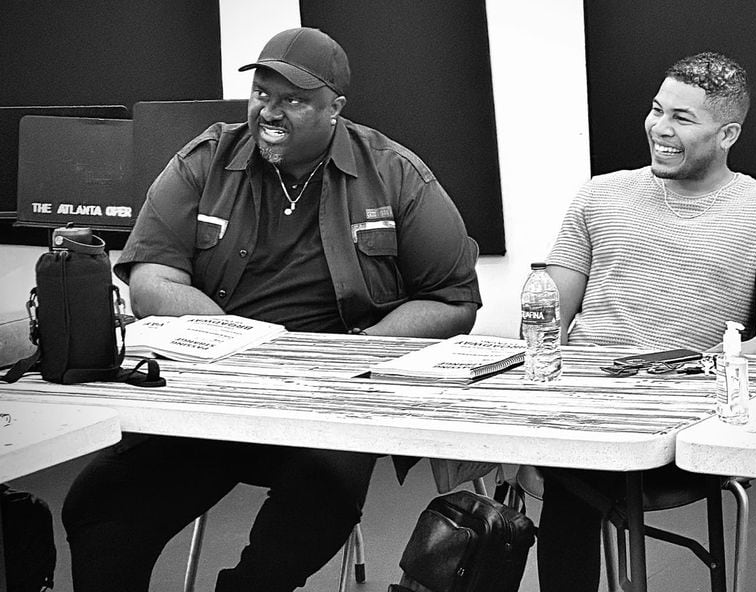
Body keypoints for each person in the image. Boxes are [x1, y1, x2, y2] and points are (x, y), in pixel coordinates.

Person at [62, 27, 481, 592]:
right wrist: (251, 346)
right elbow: (151, 279)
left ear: (336, 109)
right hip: (215, 394)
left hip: (330, 407)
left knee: (315, 503)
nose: (270, 112)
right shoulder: (207, 160)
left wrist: (340, 359)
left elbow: (453, 301)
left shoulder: (395, 173)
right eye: (263, 94)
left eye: (294, 100)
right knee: (99, 505)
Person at [537, 51, 756, 591]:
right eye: (657, 110)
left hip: (683, 417)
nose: (659, 128)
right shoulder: (599, 194)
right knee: (564, 460)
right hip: (581, 411)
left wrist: (755, 350)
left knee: (574, 473)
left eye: (682, 118)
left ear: (727, 134)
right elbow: (547, 312)